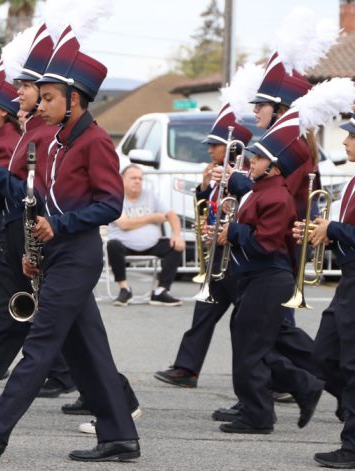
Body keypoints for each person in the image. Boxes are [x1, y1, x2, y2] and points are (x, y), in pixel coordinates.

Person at [0, 24, 139, 462]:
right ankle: (120, 436)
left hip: (79, 253)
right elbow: (42, 201)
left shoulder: (95, 142)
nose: (42, 103)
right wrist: (38, 251)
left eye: (50, 97)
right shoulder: (53, 142)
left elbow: (110, 204)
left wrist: (61, 226)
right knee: (88, 351)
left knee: (40, 344)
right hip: (55, 255)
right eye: (43, 96)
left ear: (76, 100)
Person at [215, 103, 326, 435]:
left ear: (275, 168)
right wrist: (224, 232)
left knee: (251, 347)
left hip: (268, 277)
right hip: (253, 278)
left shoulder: (277, 196)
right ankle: (293, 390)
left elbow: (264, 243)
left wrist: (233, 232)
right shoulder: (258, 191)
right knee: (251, 343)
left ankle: (260, 414)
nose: (252, 162)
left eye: (259, 159)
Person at [154, 94, 253, 388]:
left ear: (232, 147)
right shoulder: (215, 173)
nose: (210, 150)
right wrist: (203, 188)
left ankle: (286, 378)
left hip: (240, 259)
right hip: (217, 256)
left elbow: (246, 206)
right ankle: (187, 369)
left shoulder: (245, 174)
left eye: (215, 145)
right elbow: (209, 209)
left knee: (257, 326)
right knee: (203, 313)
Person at [309, 116, 355, 468]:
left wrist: (334, 229)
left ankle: (351, 447)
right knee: (322, 356)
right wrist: (321, 231)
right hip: (347, 280)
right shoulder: (353, 180)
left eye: (351, 137)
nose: (345, 142)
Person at [106, 164, 183, 306]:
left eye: (140, 178)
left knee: (175, 246)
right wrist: (152, 217)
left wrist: (176, 234)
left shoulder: (150, 195)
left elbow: (171, 215)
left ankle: (161, 291)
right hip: (124, 244)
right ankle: (125, 289)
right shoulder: (114, 198)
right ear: (121, 180)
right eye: (133, 178)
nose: (137, 181)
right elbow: (124, 224)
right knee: (112, 245)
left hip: (152, 244)